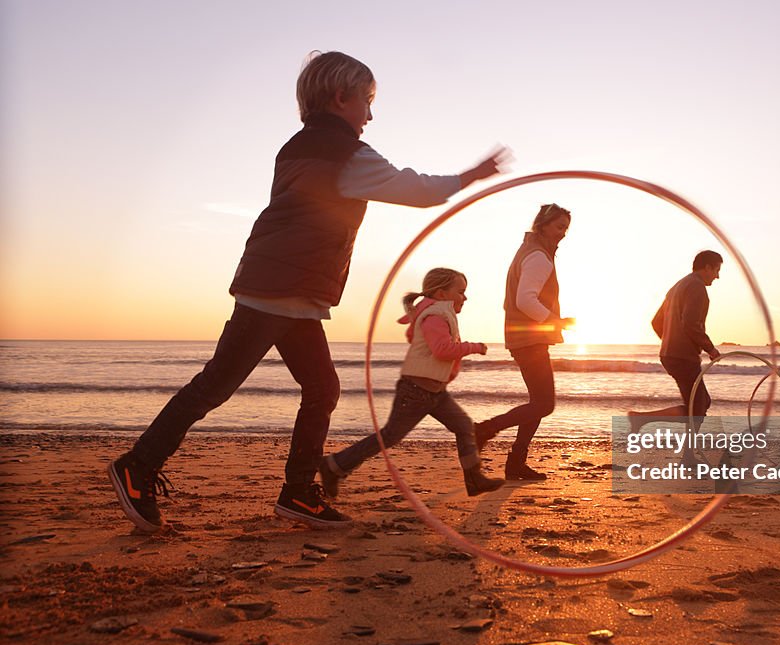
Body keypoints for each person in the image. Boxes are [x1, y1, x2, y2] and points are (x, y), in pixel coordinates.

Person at [108, 51, 507, 533]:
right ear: (341, 98)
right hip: (280, 290)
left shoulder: (297, 146)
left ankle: (298, 491)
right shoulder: (345, 153)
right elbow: (417, 191)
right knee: (218, 386)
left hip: (285, 290)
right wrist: (474, 175)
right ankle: (140, 464)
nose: (371, 114)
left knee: (319, 388)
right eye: (367, 100)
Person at [319, 268, 504, 497]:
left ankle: (474, 479)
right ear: (442, 293)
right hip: (416, 391)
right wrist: (473, 347)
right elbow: (442, 350)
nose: (465, 297)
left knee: (464, 426)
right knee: (390, 436)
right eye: (461, 292)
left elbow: (423, 342)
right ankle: (333, 466)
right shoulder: (435, 316)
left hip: (434, 391)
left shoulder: (437, 313)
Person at [474, 204, 574, 481]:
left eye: (566, 228)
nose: (563, 233)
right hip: (529, 338)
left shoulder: (529, 250)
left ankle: (516, 463)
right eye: (558, 227)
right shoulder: (538, 257)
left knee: (537, 402)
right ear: (542, 225)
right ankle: (484, 430)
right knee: (545, 404)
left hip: (524, 337)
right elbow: (525, 300)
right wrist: (555, 321)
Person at [627, 250, 723, 434]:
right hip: (683, 357)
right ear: (707, 267)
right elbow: (691, 323)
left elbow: (656, 322)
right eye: (716, 270)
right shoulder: (697, 287)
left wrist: (670, 341)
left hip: (670, 355)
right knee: (697, 409)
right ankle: (642, 419)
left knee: (701, 403)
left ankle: (643, 420)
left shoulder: (678, 286)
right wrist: (710, 349)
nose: (717, 276)